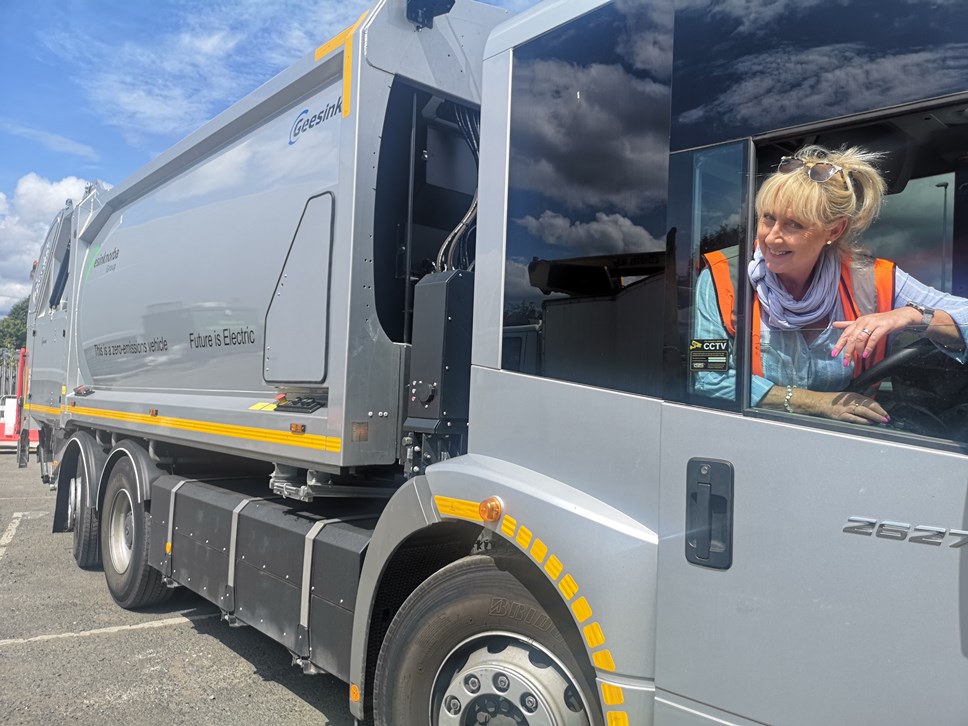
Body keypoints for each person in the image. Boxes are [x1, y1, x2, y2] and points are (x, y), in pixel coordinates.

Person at [694, 144, 968, 424]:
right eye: (768, 218)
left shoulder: (873, 279)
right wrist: (816, 403)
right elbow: (707, 379)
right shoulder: (722, 277)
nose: (772, 237)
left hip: (851, 444)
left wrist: (912, 315)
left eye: (794, 225)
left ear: (834, 230)